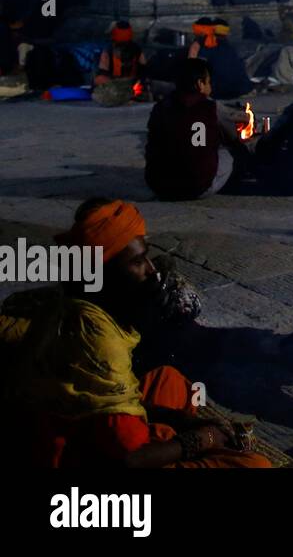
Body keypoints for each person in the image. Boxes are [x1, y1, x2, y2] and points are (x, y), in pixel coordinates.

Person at [0, 199, 270, 468]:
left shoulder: (76, 305)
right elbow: (129, 459)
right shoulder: (96, 335)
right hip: (93, 458)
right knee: (255, 465)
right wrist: (202, 439)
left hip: (81, 426)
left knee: (167, 379)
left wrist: (183, 420)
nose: (150, 270)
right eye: (138, 262)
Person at [145, 58, 240, 200]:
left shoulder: (160, 107)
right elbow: (234, 137)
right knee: (227, 153)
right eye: (208, 81)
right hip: (197, 187)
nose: (210, 86)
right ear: (200, 84)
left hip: (159, 186)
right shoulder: (211, 107)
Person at [187, 17, 253, 99]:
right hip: (240, 90)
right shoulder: (230, 48)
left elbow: (193, 70)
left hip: (218, 92)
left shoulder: (203, 46)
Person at [94, 21, 145, 87]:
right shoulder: (109, 50)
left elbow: (143, 68)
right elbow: (102, 72)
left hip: (130, 83)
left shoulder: (136, 49)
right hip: (116, 83)